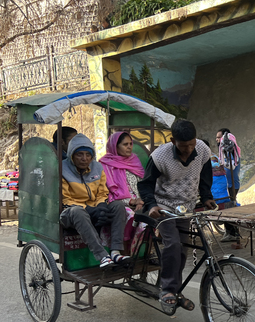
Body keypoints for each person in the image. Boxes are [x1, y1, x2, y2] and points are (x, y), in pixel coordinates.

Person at [138, 119, 216, 311]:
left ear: (196, 140)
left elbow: (206, 176)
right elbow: (146, 184)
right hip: (163, 206)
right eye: (183, 146)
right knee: (172, 243)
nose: (188, 149)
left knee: (183, 248)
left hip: (186, 206)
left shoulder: (203, 150)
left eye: (191, 144)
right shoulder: (160, 156)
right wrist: (151, 205)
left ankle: (175, 288)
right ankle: (168, 290)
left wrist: (206, 197)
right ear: (173, 141)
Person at [59, 134, 130, 268]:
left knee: (118, 206)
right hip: (71, 212)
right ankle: (102, 256)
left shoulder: (97, 167)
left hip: (94, 207)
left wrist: (101, 206)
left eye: (88, 154)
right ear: (72, 155)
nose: (84, 159)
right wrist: (90, 210)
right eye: (80, 154)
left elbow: (102, 192)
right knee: (78, 211)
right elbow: (65, 199)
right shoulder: (62, 169)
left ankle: (115, 251)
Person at [98, 132, 146, 253]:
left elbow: (142, 184)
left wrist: (141, 201)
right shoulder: (104, 165)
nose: (129, 147)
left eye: (130, 144)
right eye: (125, 144)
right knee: (130, 215)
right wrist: (131, 201)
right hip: (118, 203)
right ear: (115, 146)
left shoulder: (134, 160)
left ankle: (145, 254)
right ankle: (123, 255)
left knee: (151, 215)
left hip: (139, 201)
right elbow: (108, 193)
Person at [216, 128, 241, 242]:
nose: (217, 140)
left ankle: (233, 233)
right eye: (216, 138)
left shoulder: (231, 152)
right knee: (228, 207)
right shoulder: (225, 153)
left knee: (228, 208)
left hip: (231, 186)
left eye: (219, 138)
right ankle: (230, 231)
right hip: (228, 185)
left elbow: (230, 166)